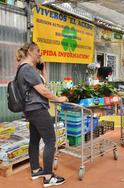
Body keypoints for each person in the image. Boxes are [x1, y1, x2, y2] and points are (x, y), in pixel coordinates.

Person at [16, 42, 68, 187]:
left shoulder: (25, 69)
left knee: (34, 139)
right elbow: (43, 91)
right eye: (38, 51)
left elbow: (44, 85)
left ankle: (36, 170)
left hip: (30, 110)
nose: (40, 53)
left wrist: (43, 68)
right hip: (38, 109)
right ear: (30, 52)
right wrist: (58, 99)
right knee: (50, 141)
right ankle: (48, 177)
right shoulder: (28, 69)